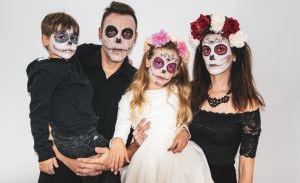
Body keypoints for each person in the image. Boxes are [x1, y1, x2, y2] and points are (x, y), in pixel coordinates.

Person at [109, 30, 213, 183]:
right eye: (158, 63)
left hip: (176, 157)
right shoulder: (130, 98)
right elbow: (121, 130)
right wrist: (117, 141)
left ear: (176, 72)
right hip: (145, 160)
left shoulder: (176, 94)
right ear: (147, 61)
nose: (163, 70)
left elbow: (180, 123)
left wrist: (184, 132)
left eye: (170, 67)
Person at [26, 12, 109, 183]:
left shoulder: (72, 61)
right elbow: (37, 113)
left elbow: (91, 48)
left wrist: (121, 59)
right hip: (71, 139)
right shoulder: (46, 72)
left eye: (74, 38)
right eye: (61, 37)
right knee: (106, 159)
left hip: (87, 134)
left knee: (109, 156)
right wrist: (44, 152)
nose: (69, 43)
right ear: (45, 40)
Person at [188, 13, 265, 183]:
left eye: (220, 49)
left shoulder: (247, 103)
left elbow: (246, 165)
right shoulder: (189, 91)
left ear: (235, 55)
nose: (212, 57)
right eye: (206, 50)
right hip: (185, 176)